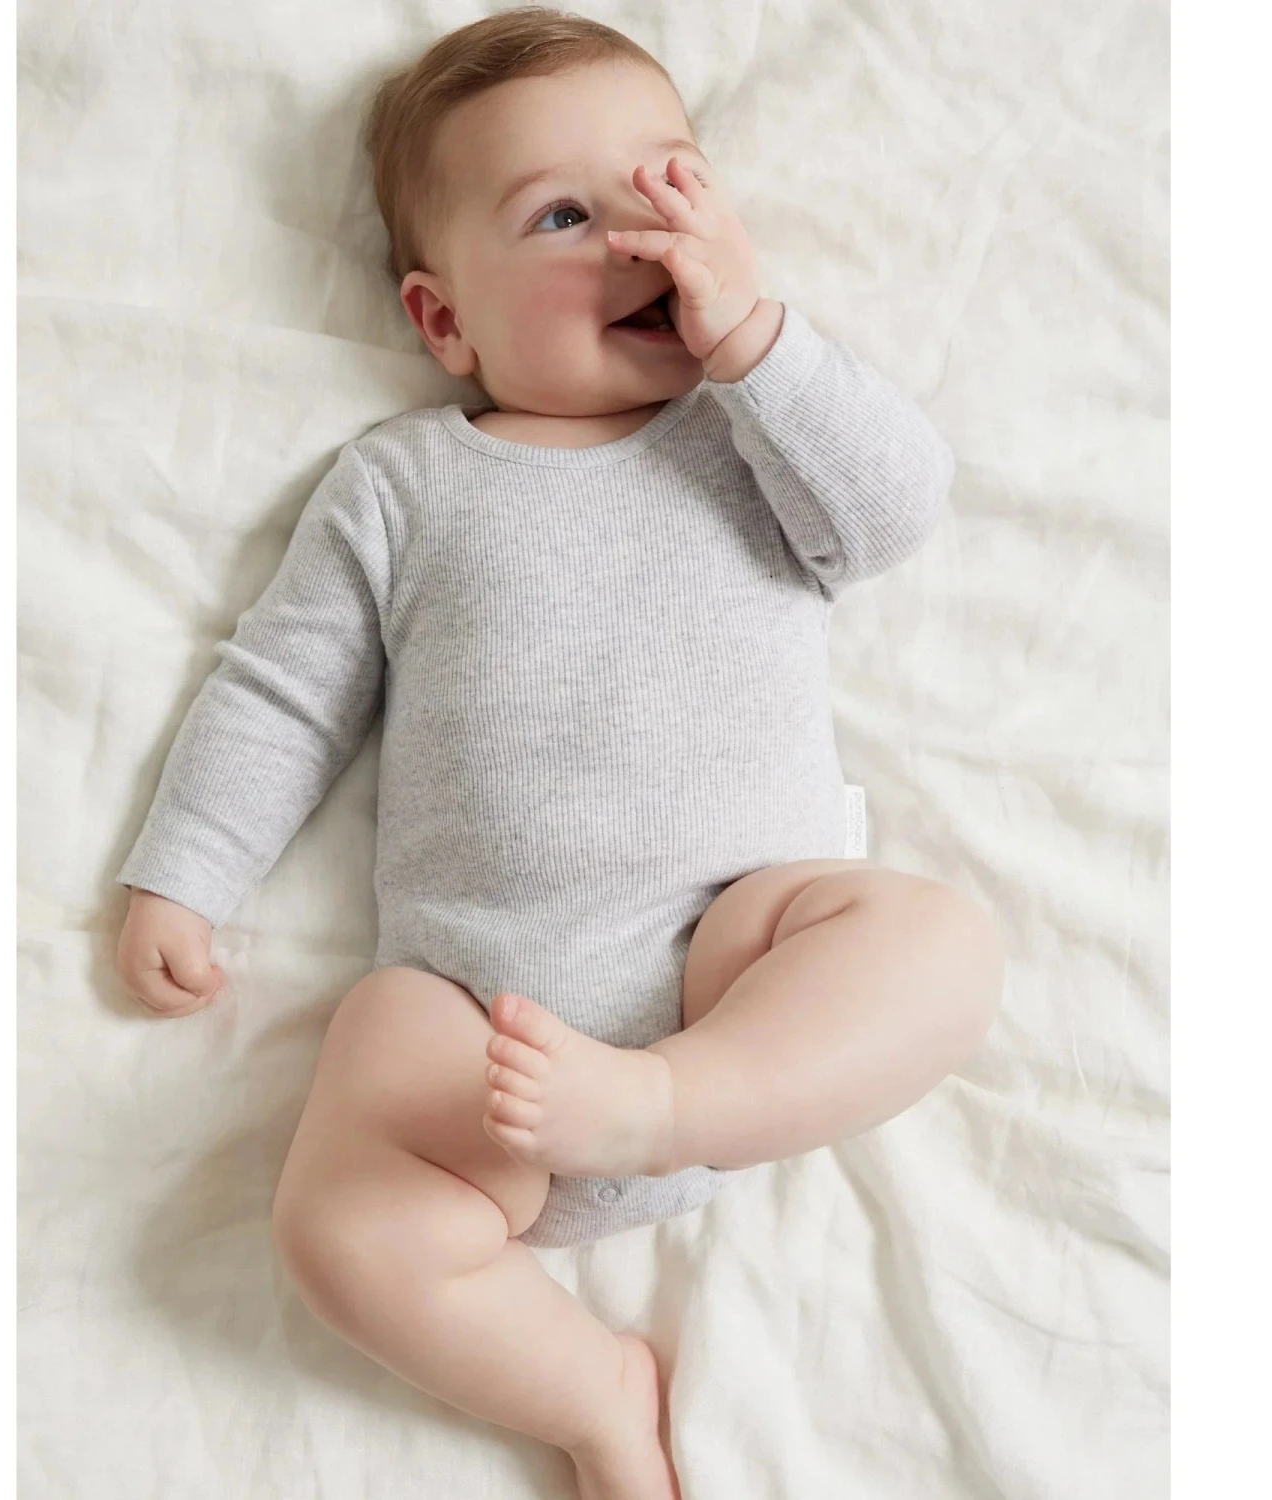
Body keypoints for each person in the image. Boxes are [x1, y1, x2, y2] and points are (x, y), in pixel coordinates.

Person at [113, 9, 1004, 1497]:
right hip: (484, 1037)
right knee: (337, 1216)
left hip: (734, 974)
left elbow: (898, 506)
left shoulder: (751, 434)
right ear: (445, 321)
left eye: (668, 185)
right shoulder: (400, 485)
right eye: (563, 216)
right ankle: (593, 1400)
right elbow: (283, 692)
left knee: (936, 945)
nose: (640, 239)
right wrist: (185, 873)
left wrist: (757, 339)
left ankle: (668, 1104)